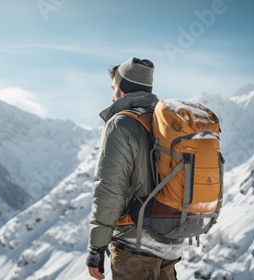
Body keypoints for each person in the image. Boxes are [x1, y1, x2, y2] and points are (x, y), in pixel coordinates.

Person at [86, 57, 182, 280]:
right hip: (170, 244)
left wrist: (96, 246)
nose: (111, 95)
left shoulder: (121, 123)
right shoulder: (166, 123)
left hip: (134, 247)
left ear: (123, 89)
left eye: (114, 87)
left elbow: (110, 189)